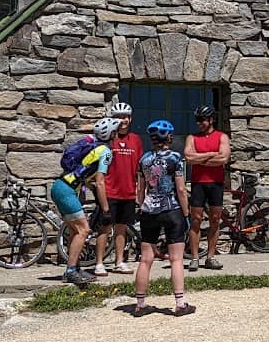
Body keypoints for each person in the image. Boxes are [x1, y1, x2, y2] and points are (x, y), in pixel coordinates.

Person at [133, 119, 195, 316]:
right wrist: (187, 213)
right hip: (172, 209)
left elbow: (140, 189)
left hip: (149, 210)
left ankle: (140, 303)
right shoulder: (175, 158)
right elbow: (181, 189)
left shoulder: (144, 160)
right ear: (168, 137)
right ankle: (180, 302)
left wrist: (141, 206)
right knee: (176, 258)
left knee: (146, 258)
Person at [51, 116, 120, 286]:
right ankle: (71, 271)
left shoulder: (93, 147)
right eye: (116, 132)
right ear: (112, 134)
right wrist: (105, 209)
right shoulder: (105, 152)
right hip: (67, 191)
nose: (118, 135)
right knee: (84, 230)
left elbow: (86, 176)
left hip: (60, 186)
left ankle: (75, 267)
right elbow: (100, 181)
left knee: (76, 232)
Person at [95, 101, 142, 274]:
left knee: (122, 228)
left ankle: (119, 261)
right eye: (118, 117)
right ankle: (99, 262)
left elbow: (138, 167)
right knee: (105, 228)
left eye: (125, 117)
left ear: (130, 118)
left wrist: (139, 190)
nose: (122, 120)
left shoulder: (136, 140)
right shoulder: (108, 139)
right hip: (109, 190)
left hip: (128, 191)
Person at [183, 104, 230, 271]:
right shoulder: (192, 138)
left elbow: (223, 158)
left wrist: (200, 159)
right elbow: (188, 157)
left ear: (211, 119)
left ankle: (210, 257)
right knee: (195, 220)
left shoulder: (222, 137)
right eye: (197, 120)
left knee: (215, 220)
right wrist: (211, 155)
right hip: (198, 183)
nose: (199, 123)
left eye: (202, 120)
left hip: (216, 183)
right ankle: (195, 258)